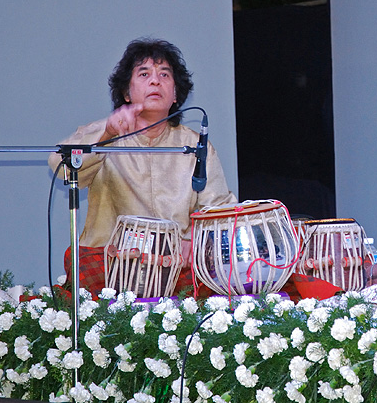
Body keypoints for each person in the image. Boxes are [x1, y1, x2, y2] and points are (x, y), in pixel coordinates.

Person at [48, 38, 236, 295]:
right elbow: (62, 166)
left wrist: (194, 241)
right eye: (144, 73)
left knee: (223, 281)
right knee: (82, 264)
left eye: (164, 74)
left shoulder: (194, 145)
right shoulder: (106, 133)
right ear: (127, 93)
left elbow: (220, 210)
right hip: (113, 262)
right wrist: (106, 135)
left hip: (175, 265)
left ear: (175, 95)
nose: (155, 81)